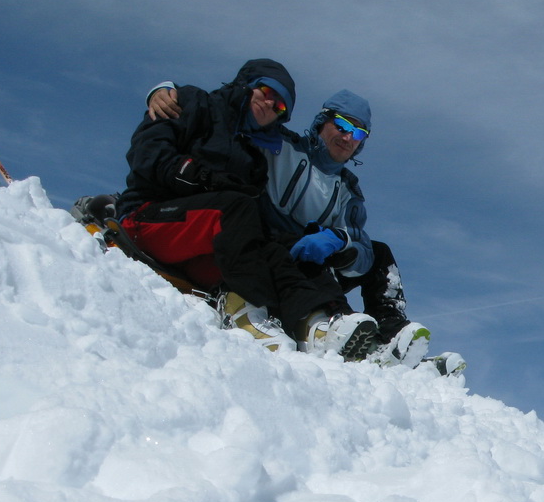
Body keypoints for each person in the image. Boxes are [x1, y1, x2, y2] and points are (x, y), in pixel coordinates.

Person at [147, 84, 431, 367]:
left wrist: (339, 241)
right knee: (292, 252)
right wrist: (167, 91)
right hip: (262, 247)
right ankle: (330, 327)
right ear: (322, 121)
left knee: (380, 253)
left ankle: (393, 334)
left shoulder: (348, 190)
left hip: (309, 262)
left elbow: (362, 247)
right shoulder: (279, 146)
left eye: (359, 134)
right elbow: (232, 117)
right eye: (343, 125)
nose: (348, 137)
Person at [117, 59, 378, 359]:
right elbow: (147, 155)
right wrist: (200, 176)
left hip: (203, 238)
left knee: (283, 247)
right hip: (148, 218)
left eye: (280, 106)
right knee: (239, 209)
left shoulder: (254, 154)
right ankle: (247, 308)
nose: (270, 104)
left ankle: (321, 323)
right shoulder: (194, 104)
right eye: (266, 92)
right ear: (246, 85)